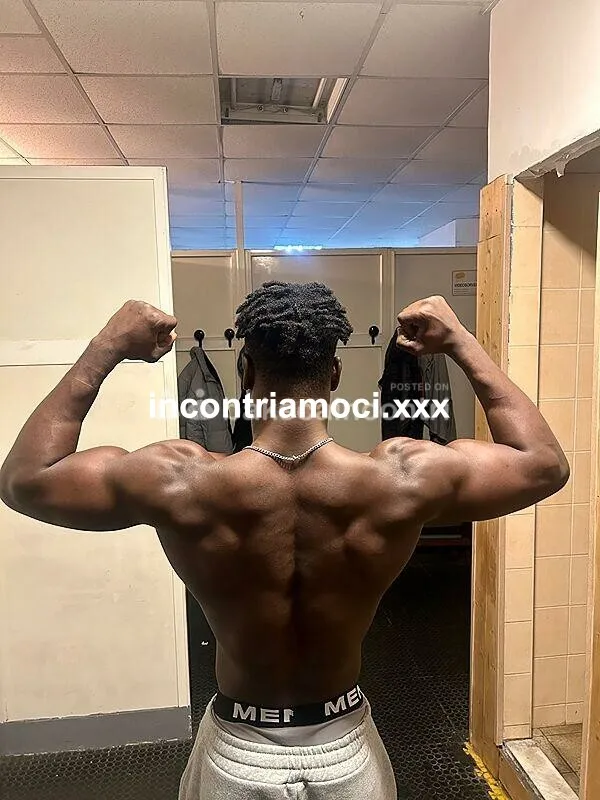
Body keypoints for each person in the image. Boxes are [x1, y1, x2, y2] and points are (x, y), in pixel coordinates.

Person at [0, 282, 569, 800]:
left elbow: (25, 479)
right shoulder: (402, 478)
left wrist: (106, 346)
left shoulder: (179, 481)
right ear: (335, 375)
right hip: (345, 748)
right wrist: (461, 342)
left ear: (246, 371)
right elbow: (544, 464)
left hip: (238, 751)